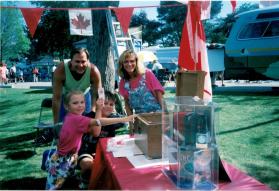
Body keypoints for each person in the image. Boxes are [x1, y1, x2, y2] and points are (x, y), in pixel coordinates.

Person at [45, 90, 134, 190]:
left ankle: (82, 182)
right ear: (66, 106)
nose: (80, 105)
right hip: (63, 159)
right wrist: (125, 119)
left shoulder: (77, 117)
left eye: (82, 102)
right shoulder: (78, 119)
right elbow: (97, 127)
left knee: (68, 181)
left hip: (71, 156)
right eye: (75, 103)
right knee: (54, 186)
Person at [77, 90, 127, 189]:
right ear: (97, 103)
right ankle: (84, 178)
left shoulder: (113, 119)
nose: (108, 106)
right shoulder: (88, 117)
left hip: (105, 153)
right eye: (105, 103)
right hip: (87, 151)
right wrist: (99, 110)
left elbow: (124, 121)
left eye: (111, 104)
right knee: (88, 164)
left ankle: (103, 180)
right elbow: (95, 132)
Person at [52, 47, 102, 124]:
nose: (80, 65)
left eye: (83, 61)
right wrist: (55, 123)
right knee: (63, 125)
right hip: (66, 97)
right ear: (71, 61)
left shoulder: (93, 71)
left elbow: (99, 93)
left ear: (88, 61)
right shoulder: (61, 70)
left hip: (84, 96)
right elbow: (56, 97)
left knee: (87, 125)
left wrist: (93, 110)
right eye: (77, 61)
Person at [118, 49, 164, 116]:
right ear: (122, 64)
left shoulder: (147, 74)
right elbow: (127, 104)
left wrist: (166, 115)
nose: (129, 64)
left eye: (132, 61)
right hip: (140, 118)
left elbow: (159, 95)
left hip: (156, 115)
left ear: (136, 62)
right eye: (126, 62)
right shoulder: (123, 82)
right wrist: (131, 123)